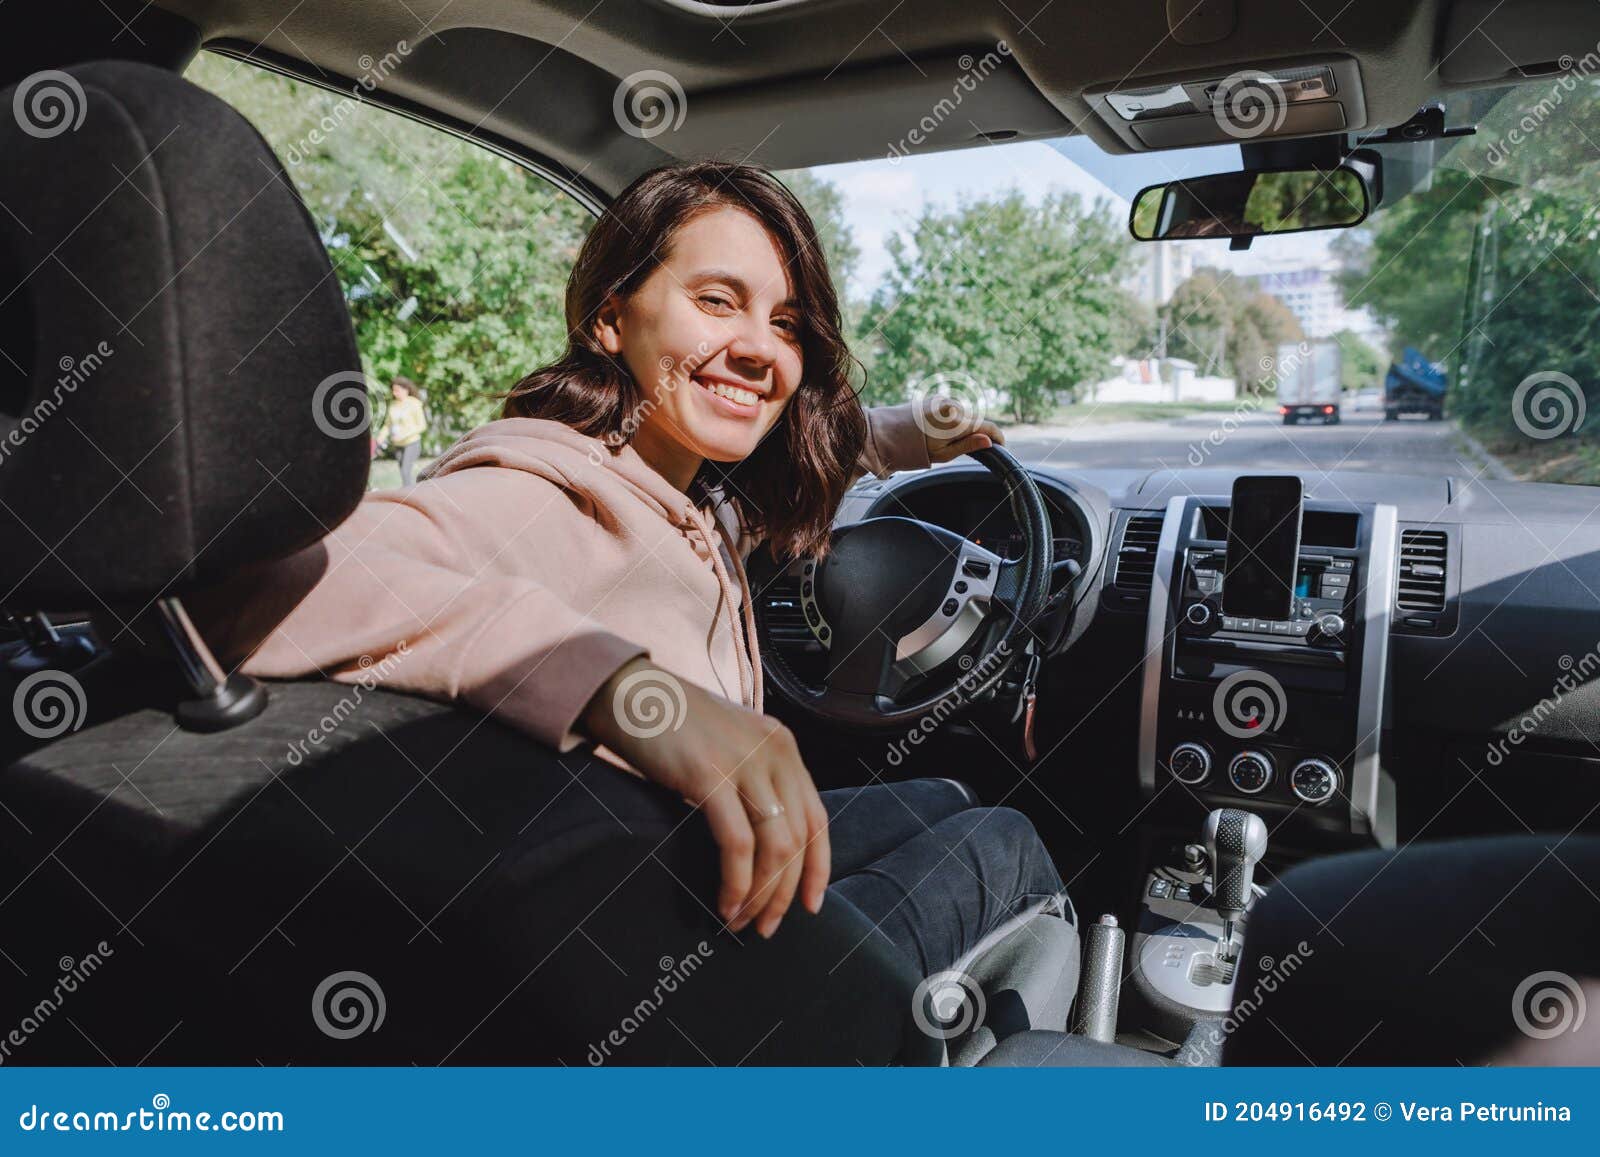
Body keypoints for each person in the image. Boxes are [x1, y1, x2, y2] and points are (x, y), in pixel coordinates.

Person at [193, 162, 1075, 1049]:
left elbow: (747, 512)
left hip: (671, 881)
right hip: (696, 976)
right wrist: (630, 692)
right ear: (610, 317)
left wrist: (904, 437)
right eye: (717, 300)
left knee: (950, 792)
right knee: (1005, 843)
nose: (761, 348)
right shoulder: (539, 493)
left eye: (786, 323)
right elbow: (253, 592)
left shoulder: (673, 494)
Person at [384, 376, 427, 486]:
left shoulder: (415, 403)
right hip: (398, 445)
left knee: (405, 471)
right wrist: (380, 437)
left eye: (397, 390)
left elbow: (422, 425)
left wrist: (403, 435)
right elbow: (387, 425)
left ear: (406, 390)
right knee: (403, 472)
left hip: (412, 443)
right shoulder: (393, 405)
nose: (394, 393)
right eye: (393, 390)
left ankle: (408, 496)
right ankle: (407, 492)